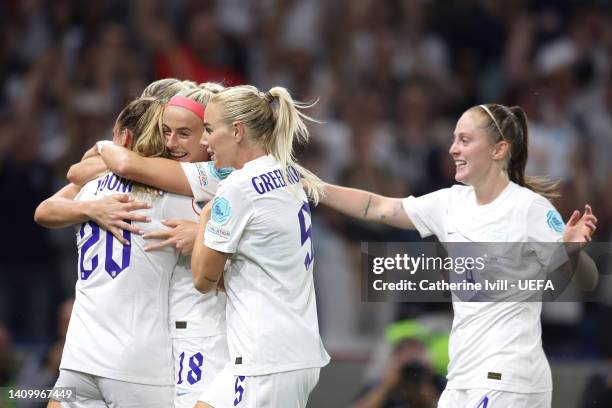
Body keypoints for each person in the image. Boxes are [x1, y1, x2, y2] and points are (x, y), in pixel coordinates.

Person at [314, 103, 598, 408]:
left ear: (498, 150)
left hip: (510, 377)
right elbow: (380, 207)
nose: (452, 149)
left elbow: (588, 280)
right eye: (453, 139)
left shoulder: (529, 208)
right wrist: (313, 186)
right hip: (462, 378)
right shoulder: (449, 203)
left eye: (464, 140)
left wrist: (572, 250)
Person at [38, 85, 232, 408]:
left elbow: (44, 210)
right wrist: (202, 231)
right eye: (169, 133)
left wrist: (90, 202)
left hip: (78, 358)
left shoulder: (89, 191)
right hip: (137, 363)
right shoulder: (180, 199)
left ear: (125, 140)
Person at [190, 85, 330, 408]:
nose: (204, 141)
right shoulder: (288, 175)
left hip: (266, 358)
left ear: (237, 131)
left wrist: (204, 219)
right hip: (284, 351)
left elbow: (202, 280)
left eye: (209, 129)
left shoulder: (236, 188)